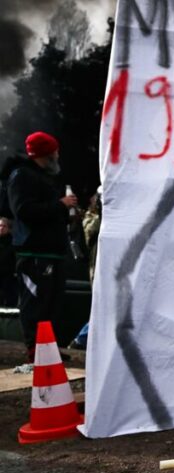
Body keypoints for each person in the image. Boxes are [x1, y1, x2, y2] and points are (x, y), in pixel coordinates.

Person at [3, 132, 77, 361]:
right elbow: (25, 211)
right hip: (34, 252)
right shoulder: (21, 176)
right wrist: (60, 205)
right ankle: (35, 350)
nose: (58, 155)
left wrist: (66, 214)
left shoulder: (41, 176)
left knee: (51, 304)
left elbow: (47, 213)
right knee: (36, 303)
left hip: (51, 251)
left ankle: (47, 349)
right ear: (46, 153)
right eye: (54, 151)